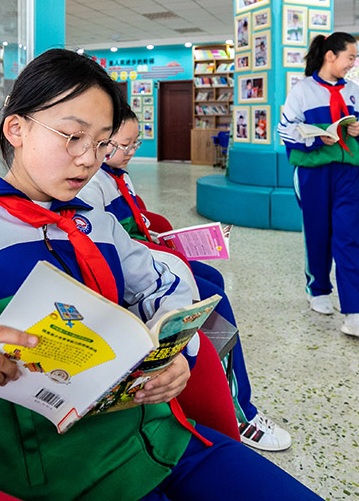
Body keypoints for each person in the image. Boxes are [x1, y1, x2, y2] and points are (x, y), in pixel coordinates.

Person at [0, 49, 321, 501]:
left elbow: (167, 277)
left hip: (167, 439)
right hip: (67, 480)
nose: (89, 159)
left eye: (103, 142)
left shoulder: (94, 222)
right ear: (15, 129)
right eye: (71, 136)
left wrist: (174, 354)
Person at [79, 107, 292, 452]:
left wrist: (173, 240)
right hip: (141, 274)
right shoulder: (93, 184)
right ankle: (240, 411)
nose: (131, 152)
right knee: (212, 301)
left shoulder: (120, 175)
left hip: (153, 258)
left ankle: (232, 385)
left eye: (136, 143)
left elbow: (137, 225)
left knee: (214, 280)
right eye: (123, 144)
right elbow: (114, 246)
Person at [277, 32, 359, 339]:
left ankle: (356, 312)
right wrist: (315, 136)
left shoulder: (357, 94)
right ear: (330, 56)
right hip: (313, 172)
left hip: (348, 173)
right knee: (318, 234)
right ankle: (318, 288)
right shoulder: (301, 92)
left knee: (351, 237)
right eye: (349, 57)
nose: (352, 63)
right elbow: (285, 130)